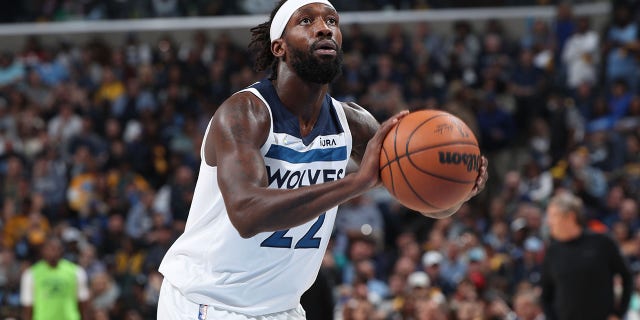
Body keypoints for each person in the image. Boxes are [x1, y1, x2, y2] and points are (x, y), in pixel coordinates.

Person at [157, 0, 488, 319]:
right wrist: (356, 183)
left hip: (281, 308)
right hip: (207, 300)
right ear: (279, 47)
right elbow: (247, 213)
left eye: (332, 21)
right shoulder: (245, 113)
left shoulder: (354, 124)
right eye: (306, 21)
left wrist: (458, 191)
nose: (324, 29)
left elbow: (426, 202)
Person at [541, 191, 632, 320]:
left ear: (570, 216)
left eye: (553, 216)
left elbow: (627, 276)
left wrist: (619, 313)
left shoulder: (602, 242)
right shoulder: (552, 251)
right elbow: (546, 296)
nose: (549, 222)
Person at [19, 236, 91, 320]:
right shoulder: (31, 274)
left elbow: (83, 303)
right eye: (50, 249)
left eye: (57, 249)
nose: (53, 252)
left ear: (62, 251)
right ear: (43, 251)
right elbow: (27, 306)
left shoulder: (76, 271)